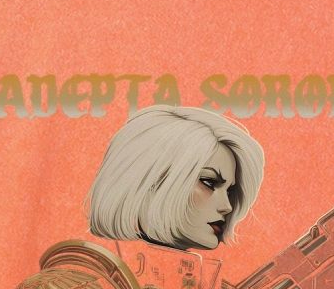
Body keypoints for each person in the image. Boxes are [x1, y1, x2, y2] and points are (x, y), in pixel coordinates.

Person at [86, 104, 264, 249]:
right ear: (149, 181)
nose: (227, 207)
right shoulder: (92, 273)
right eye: (209, 182)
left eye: (230, 191)